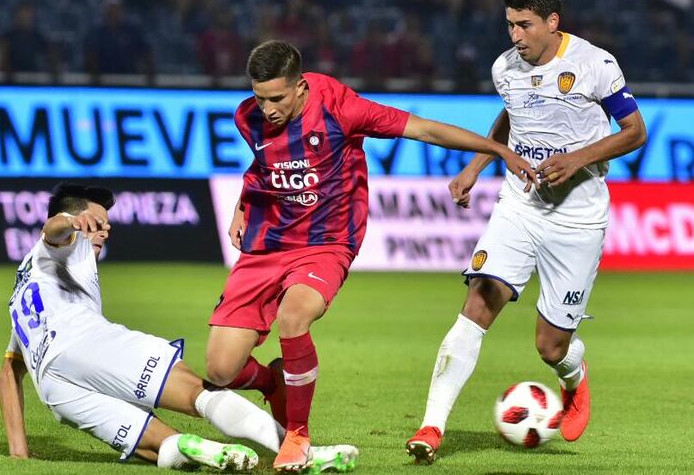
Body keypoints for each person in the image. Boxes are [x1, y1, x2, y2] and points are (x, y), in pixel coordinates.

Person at [204, 40, 537, 472]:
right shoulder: (246, 115)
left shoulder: (342, 108)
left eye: (277, 98)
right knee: (221, 369)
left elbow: (425, 129)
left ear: (301, 87)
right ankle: (275, 382)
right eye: (259, 96)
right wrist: (242, 204)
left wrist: (498, 151)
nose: (266, 108)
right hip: (266, 244)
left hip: (326, 241)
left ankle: (297, 436)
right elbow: (264, 165)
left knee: (294, 317)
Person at [406, 0, 647, 464]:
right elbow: (511, 114)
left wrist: (578, 158)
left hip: (577, 219)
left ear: (552, 22)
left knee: (550, 345)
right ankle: (431, 426)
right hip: (520, 206)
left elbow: (634, 131)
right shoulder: (506, 67)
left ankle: (573, 379)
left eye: (525, 25)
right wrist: (478, 164)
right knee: (479, 299)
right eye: (510, 25)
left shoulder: (595, 64)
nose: (515, 36)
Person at [0, 182, 358, 472]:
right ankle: (301, 453)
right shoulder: (65, 243)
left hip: (55, 389)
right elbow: (52, 233)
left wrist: (19, 453)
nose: (104, 231)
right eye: (98, 223)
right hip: (83, 341)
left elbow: (9, 372)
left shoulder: (22, 289)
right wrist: (69, 222)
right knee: (197, 393)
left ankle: (197, 449)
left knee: (156, 446)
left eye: (106, 224)